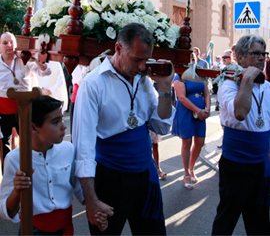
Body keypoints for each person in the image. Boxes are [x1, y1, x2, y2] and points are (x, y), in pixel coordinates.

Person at [72, 23, 175, 235]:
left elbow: (161, 125)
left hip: (145, 176)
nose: (143, 66)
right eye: (137, 59)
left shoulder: (143, 79)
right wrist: (91, 200)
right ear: (118, 49)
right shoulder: (93, 84)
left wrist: (165, 87)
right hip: (110, 179)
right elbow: (83, 147)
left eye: (146, 59)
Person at [0, 96, 87, 235]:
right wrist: (17, 191)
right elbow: (6, 210)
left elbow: (78, 187)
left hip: (65, 228)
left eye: (62, 119)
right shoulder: (15, 159)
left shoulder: (68, 149)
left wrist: (94, 204)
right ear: (34, 127)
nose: (64, 126)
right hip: (33, 230)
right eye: (55, 122)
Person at [212, 35, 270, 236]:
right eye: (255, 54)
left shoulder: (268, 87)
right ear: (241, 58)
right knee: (226, 220)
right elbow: (240, 112)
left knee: (260, 222)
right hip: (236, 167)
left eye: (264, 54)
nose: (261, 58)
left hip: (262, 166)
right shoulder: (228, 85)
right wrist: (246, 79)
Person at [0, 32, 51, 162]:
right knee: (4, 146)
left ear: (16, 44)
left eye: (12, 42)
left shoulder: (26, 59)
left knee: (29, 144)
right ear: (0, 46)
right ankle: (9, 175)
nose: (9, 45)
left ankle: (31, 172)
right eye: (5, 43)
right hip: (3, 111)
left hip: (24, 109)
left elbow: (46, 72)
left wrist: (36, 60)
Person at [172, 53, 210, 189]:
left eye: (193, 59)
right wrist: (198, 110)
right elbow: (181, 97)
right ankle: (186, 173)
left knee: (200, 142)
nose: (191, 62)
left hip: (200, 112)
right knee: (187, 142)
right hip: (186, 112)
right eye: (188, 59)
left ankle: (192, 167)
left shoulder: (200, 75)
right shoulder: (179, 76)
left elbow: (206, 93)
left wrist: (207, 109)